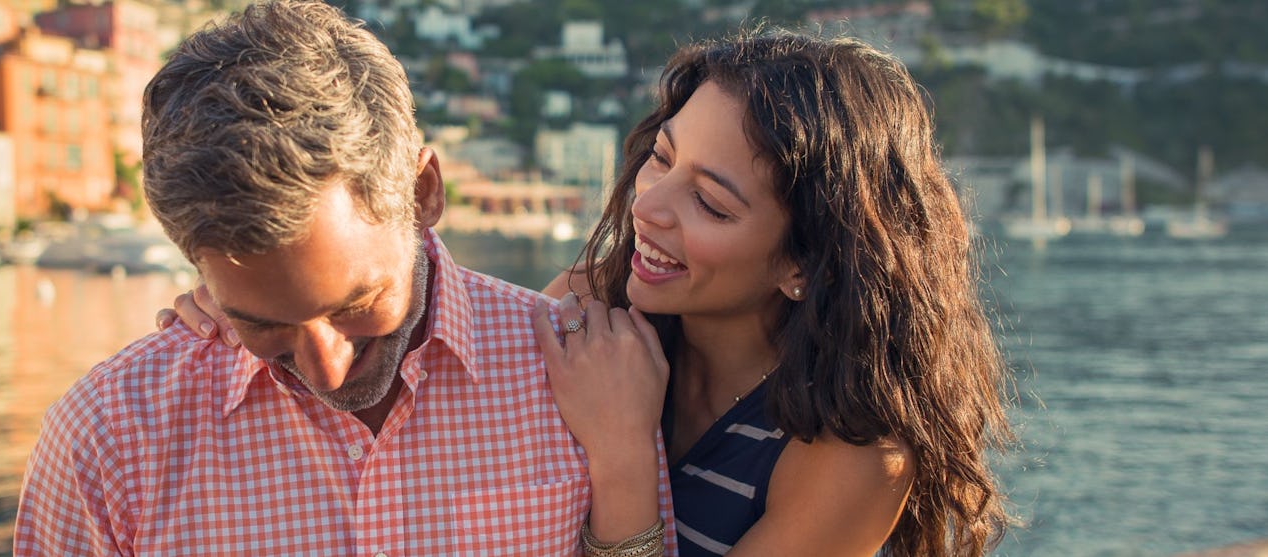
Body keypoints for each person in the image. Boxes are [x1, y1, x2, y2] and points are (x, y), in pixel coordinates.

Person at [167, 30, 1014, 556]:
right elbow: (445, 360)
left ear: (806, 263)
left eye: (710, 203)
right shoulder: (593, 307)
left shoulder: (855, 451)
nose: (648, 204)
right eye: (662, 156)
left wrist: (619, 454)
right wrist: (263, 307)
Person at [14, 2, 670, 555]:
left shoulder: (591, 381)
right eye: (263, 322)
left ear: (424, 192)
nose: (327, 370)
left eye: (357, 304)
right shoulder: (106, 440)